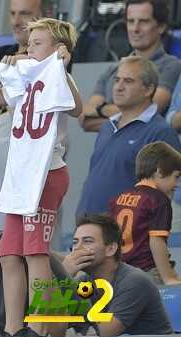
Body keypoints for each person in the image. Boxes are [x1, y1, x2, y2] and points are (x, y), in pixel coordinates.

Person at [0, 18, 81, 337]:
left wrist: (62, 68)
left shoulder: (58, 76)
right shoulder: (23, 75)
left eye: (37, 43)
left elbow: (77, 109)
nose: (27, 49)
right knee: (9, 254)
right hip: (19, 176)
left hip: (46, 173)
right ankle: (13, 328)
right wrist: (1, 68)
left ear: (58, 48)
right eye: (28, 43)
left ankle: (41, 325)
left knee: (36, 252)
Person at [76, 56, 181, 218]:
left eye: (128, 81)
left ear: (148, 89)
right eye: (117, 80)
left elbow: (166, 193)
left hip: (129, 235)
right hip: (90, 226)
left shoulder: (160, 132)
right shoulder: (107, 127)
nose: (118, 87)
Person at [60, 214, 173, 336]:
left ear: (111, 249)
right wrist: (61, 281)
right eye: (75, 242)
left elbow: (103, 335)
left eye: (87, 241)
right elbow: (48, 328)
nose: (77, 248)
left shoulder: (134, 281)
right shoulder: (82, 283)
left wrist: (63, 276)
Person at [79, 0, 181, 132]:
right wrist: (130, 116)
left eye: (143, 21)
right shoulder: (113, 70)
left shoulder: (171, 66)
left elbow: (149, 111)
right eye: (130, 21)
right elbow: (85, 120)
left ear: (161, 26)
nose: (135, 28)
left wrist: (100, 109)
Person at [108, 141, 181, 285]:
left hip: (120, 272)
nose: (177, 184)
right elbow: (157, 241)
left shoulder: (119, 198)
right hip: (148, 271)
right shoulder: (158, 200)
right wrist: (168, 277)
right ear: (159, 171)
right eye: (176, 177)